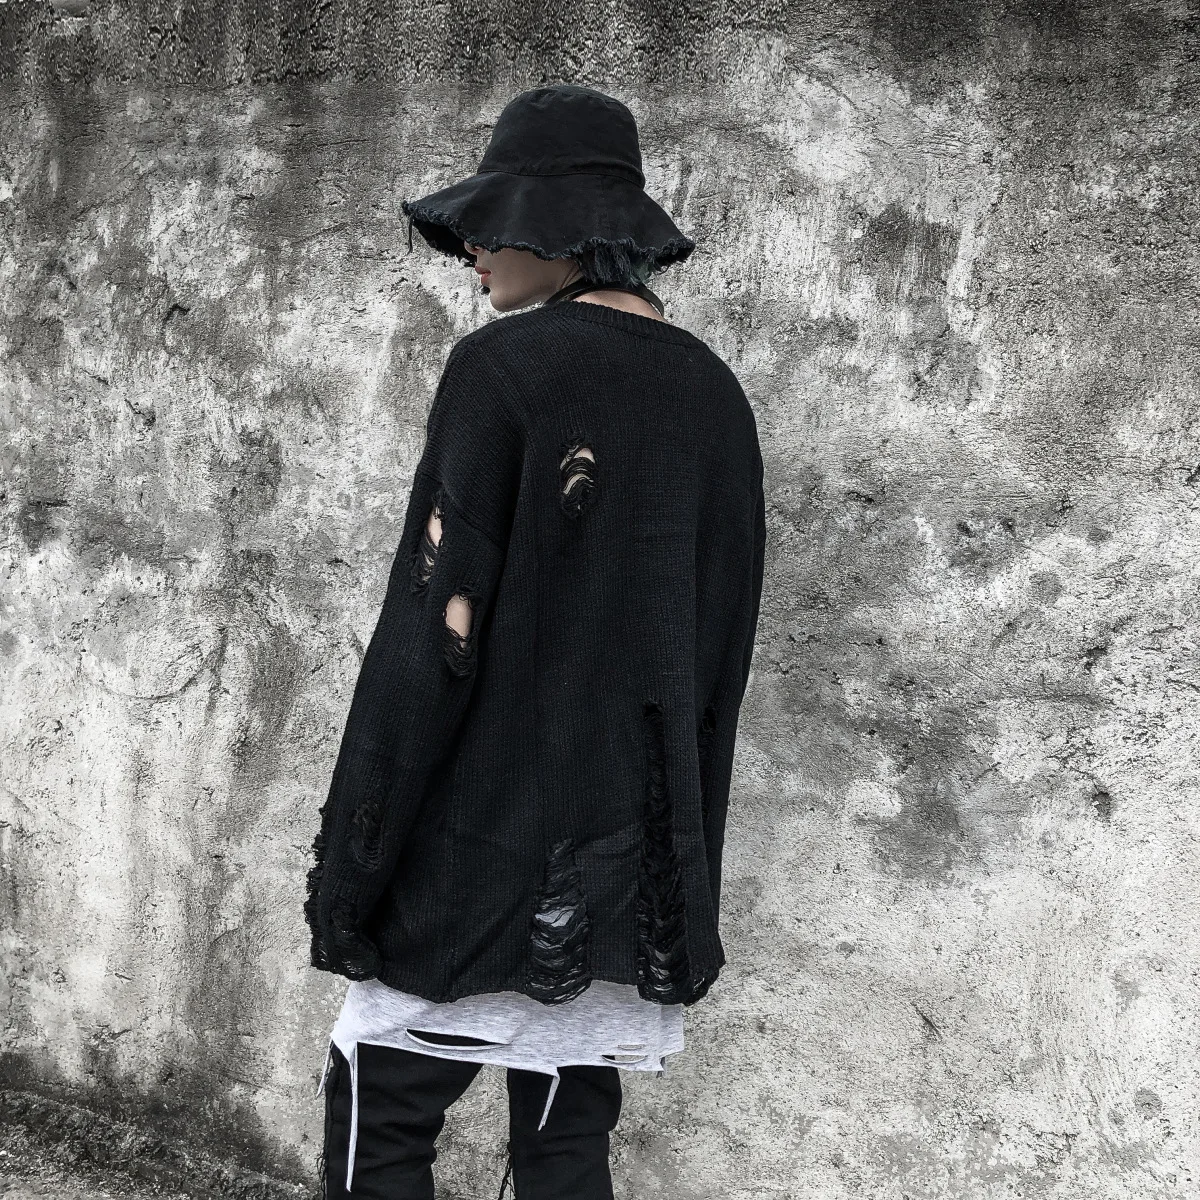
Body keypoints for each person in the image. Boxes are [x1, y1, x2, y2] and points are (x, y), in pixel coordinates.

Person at [304, 83, 766, 1199]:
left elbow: (434, 633)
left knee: (379, 1112)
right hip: (630, 869)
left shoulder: (503, 370)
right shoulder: (716, 396)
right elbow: (718, 656)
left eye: (493, 220)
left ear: (561, 227)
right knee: (564, 1146)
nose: (471, 247)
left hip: (478, 844)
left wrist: (359, 858)